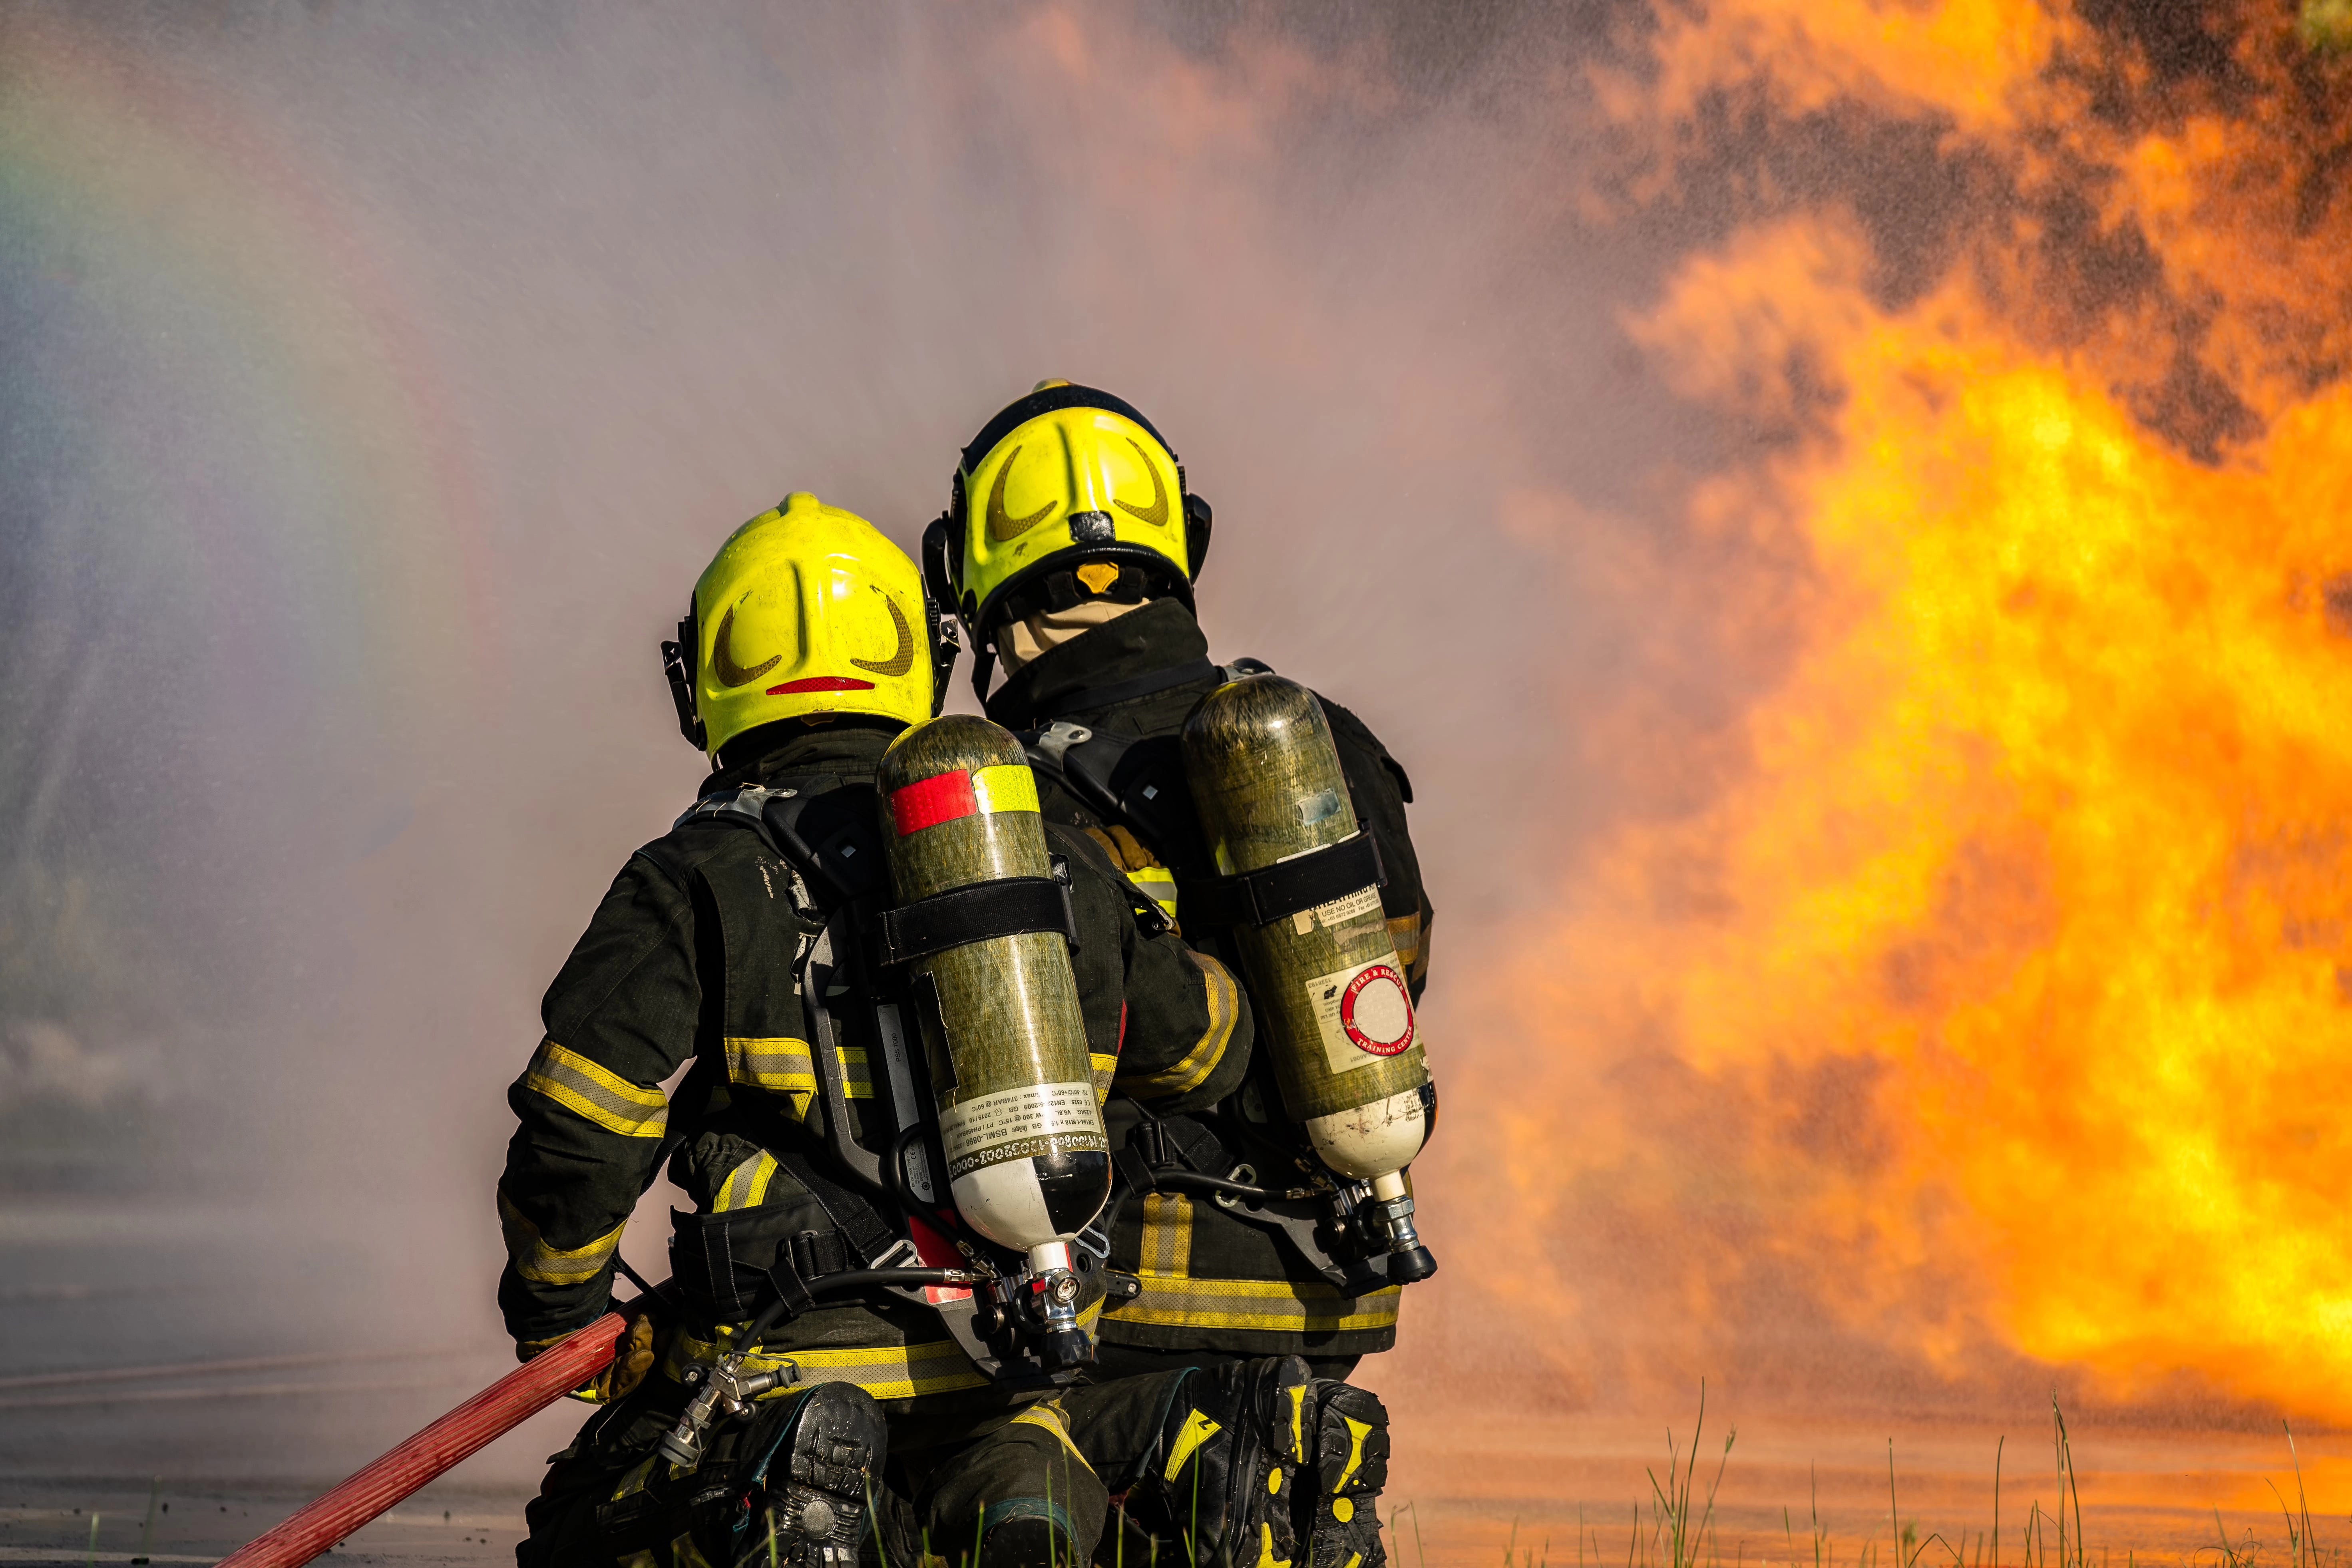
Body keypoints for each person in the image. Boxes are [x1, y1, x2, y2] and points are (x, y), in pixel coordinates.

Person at [498, 493, 1255, 1568]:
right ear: (922, 660)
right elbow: (1203, 1053)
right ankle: (1017, 1507)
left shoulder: (694, 877)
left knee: (583, 1525)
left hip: (782, 1354)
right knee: (1018, 1469)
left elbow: (580, 1126)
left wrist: (557, 1313)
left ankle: (794, 1490)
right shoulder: (1043, 847)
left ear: (703, 679)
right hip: (1009, 1355)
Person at [921, 384, 1437, 1568]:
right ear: (1183, 543)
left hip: (1126, 1302)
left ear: (970, 576)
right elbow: (1392, 986)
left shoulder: (1005, 800)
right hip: (1337, 1273)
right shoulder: (1320, 741)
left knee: (973, 1483)